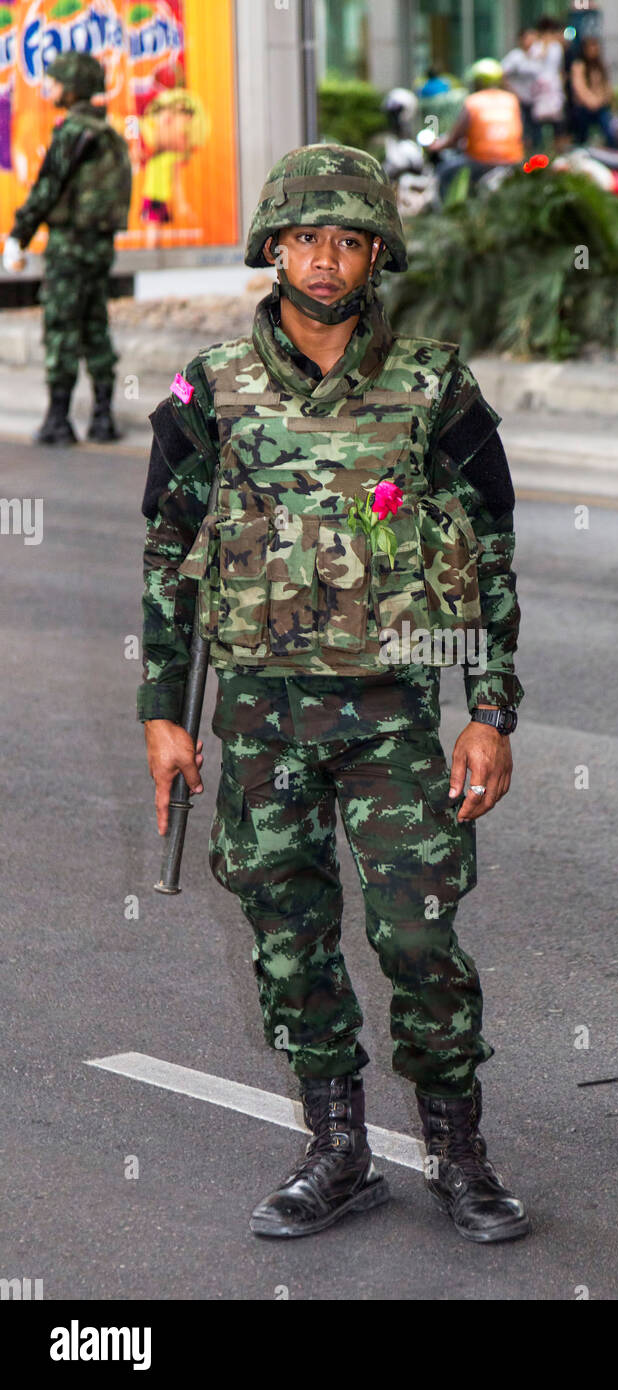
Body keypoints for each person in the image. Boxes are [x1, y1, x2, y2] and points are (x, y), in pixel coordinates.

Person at [138, 142, 530, 1245]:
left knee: (418, 936)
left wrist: (489, 713)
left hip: (394, 716)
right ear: (273, 247)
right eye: (305, 237)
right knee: (288, 933)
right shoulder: (207, 388)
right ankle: (338, 1152)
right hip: (258, 714)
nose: (323, 260)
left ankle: (459, 1151)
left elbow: (488, 554)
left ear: (375, 255)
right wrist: (165, 713)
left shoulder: (433, 386)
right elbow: (169, 555)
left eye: (347, 240)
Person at [2, 52, 131, 445]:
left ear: (72, 86)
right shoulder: (106, 133)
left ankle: (58, 420)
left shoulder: (73, 132)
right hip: (99, 248)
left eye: (55, 81)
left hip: (69, 247)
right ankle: (103, 418)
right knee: (94, 325)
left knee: (61, 326)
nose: (49, 88)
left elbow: (47, 187)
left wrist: (17, 235)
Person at [429, 59, 524, 198]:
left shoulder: (473, 101)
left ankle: (447, 214)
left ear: (478, 82)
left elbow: (455, 137)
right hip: (513, 159)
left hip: (481, 160)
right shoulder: (512, 100)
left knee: (444, 174)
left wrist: (436, 145)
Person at [568, 33, 618, 147]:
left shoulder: (600, 65)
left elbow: (606, 86)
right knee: (582, 139)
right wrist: (591, 101)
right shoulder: (579, 65)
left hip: (600, 106)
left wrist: (606, 99)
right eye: (591, 47)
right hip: (584, 108)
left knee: (610, 135)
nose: (594, 50)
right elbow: (579, 87)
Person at [529, 15, 570, 154]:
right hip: (540, 90)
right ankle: (538, 153)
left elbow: (559, 68)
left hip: (554, 90)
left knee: (558, 125)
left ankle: (557, 153)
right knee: (538, 126)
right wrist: (545, 43)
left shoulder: (557, 47)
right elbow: (537, 60)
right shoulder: (536, 47)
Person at [502, 26, 543, 153]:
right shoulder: (515, 56)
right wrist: (512, 92)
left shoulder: (536, 56)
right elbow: (502, 74)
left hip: (534, 100)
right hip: (520, 100)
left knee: (536, 133)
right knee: (522, 132)